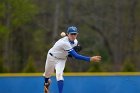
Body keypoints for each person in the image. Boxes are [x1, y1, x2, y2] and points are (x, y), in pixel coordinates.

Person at [43, 26, 101, 93]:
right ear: (67, 34)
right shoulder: (64, 42)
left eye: (75, 34)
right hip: (51, 57)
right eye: (71, 34)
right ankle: (46, 83)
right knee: (47, 75)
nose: (73, 36)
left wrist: (72, 52)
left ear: (77, 34)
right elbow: (76, 56)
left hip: (61, 59)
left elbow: (70, 54)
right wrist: (89, 59)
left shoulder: (75, 42)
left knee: (59, 75)